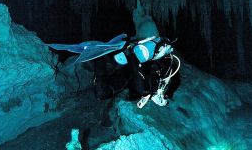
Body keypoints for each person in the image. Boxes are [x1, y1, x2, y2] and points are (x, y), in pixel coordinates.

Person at [50, 34, 181, 109]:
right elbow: (150, 79)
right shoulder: (165, 63)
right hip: (132, 67)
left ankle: (98, 58)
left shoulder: (164, 68)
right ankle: (113, 55)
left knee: (102, 94)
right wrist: (151, 93)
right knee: (142, 89)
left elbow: (149, 81)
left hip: (131, 71)